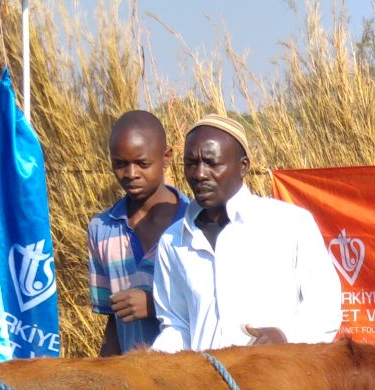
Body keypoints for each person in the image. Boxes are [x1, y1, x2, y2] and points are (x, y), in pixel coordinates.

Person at [146, 114, 340, 353]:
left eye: (212, 163)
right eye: (190, 163)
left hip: (277, 381)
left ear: (243, 166)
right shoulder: (173, 241)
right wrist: (152, 367)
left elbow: (325, 308)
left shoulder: (290, 224)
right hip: (204, 385)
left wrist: (285, 335)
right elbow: (176, 324)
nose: (199, 174)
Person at [87, 110, 185, 356]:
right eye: (120, 164)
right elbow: (113, 320)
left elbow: (216, 309)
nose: (131, 174)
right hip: (132, 379)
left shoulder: (194, 224)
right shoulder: (101, 229)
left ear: (166, 158)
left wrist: (154, 305)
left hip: (189, 374)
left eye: (142, 164)